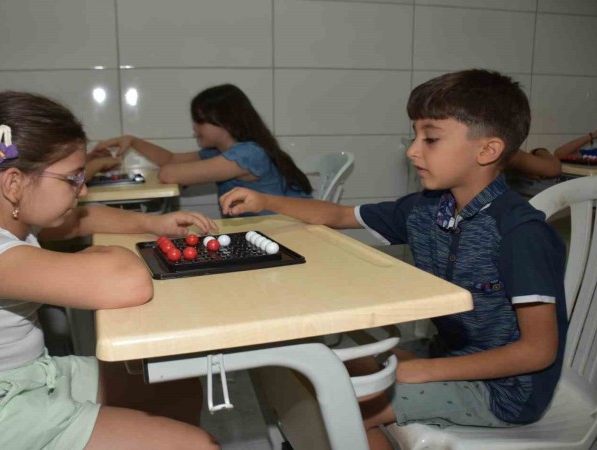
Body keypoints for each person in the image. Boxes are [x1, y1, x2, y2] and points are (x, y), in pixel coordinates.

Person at [219, 70, 568, 450]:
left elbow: (538, 351)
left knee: (341, 410)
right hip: (447, 356)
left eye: (430, 138)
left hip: (505, 392)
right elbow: (339, 215)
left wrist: (425, 370)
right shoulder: (427, 209)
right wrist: (267, 201)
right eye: (414, 136)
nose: (412, 150)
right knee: (326, 361)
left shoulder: (520, 233)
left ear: (487, 151)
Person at [0, 91, 220, 450]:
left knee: (176, 385)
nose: (82, 190)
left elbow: (79, 221)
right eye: (72, 179)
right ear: (13, 184)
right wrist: (99, 255)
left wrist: (153, 223)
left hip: (15, 380)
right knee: (199, 445)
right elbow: (128, 283)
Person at [93, 84, 313, 216]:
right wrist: (132, 141)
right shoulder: (221, 152)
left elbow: (168, 173)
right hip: (266, 229)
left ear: (225, 122)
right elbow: (170, 159)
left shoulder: (247, 154)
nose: (194, 128)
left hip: (285, 230)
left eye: (199, 121)